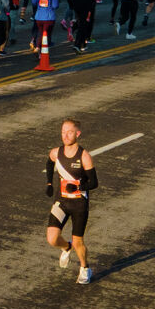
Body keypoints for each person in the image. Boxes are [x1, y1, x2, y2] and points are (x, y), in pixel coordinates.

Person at [44, 119, 97, 285]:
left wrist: (79, 186)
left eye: (69, 132)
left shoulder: (84, 156)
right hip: (61, 202)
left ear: (77, 134)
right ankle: (65, 247)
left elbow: (94, 182)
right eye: (63, 132)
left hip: (79, 205)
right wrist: (50, 184)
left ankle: (85, 268)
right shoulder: (55, 153)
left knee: (78, 242)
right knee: (52, 239)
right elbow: (50, 163)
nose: (65, 136)